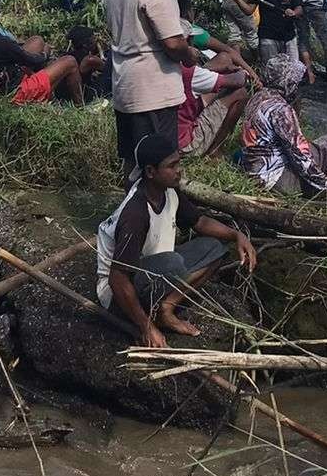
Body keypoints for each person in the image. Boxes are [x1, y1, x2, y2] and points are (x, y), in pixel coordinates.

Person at [96, 135, 256, 348]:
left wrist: (237, 235)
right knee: (173, 263)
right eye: (172, 165)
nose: (179, 170)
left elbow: (199, 221)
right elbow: (118, 278)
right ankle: (150, 317)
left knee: (215, 249)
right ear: (151, 172)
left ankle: (165, 309)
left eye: (178, 163)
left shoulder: (169, 191)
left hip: (155, 270)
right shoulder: (135, 213)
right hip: (118, 293)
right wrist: (146, 327)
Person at [105, 0, 201, 186]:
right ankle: (154, 219)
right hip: (154, 93)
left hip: (126, 86)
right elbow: (172, 43)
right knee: (161, 165)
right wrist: (189, 55)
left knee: (133, 162)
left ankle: (130, 214)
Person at [241, 57, 327, 201]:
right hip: (277, 180)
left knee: (314, 146)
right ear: (289, 83)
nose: (299, 87)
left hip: (256, 171)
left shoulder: (258, 97)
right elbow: (300, 156)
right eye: (297, 83)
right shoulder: (281, 110)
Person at [0, 0, 84, 105]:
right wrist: (46, 53)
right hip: (11, 94)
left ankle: (48, 94)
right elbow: (35, 61)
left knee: (37, 41)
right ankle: (80, 106)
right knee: (70, 61)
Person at [179, 61, 249, 157]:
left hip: (158, 138)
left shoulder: (160, 67)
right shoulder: (187, 72)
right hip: (183, 145)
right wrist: (243, 72)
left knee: (223, 58)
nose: (193, 49)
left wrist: (224, 68)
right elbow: (238, 81)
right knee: (241, 93)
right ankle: (215, 150)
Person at [66, 26, 111, 102]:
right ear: (86, 44)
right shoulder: (90, 60)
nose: (95, 41)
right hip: (83, 95)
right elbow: (107, 69)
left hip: (67, 94)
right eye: (93, 39)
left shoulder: (68, 55)